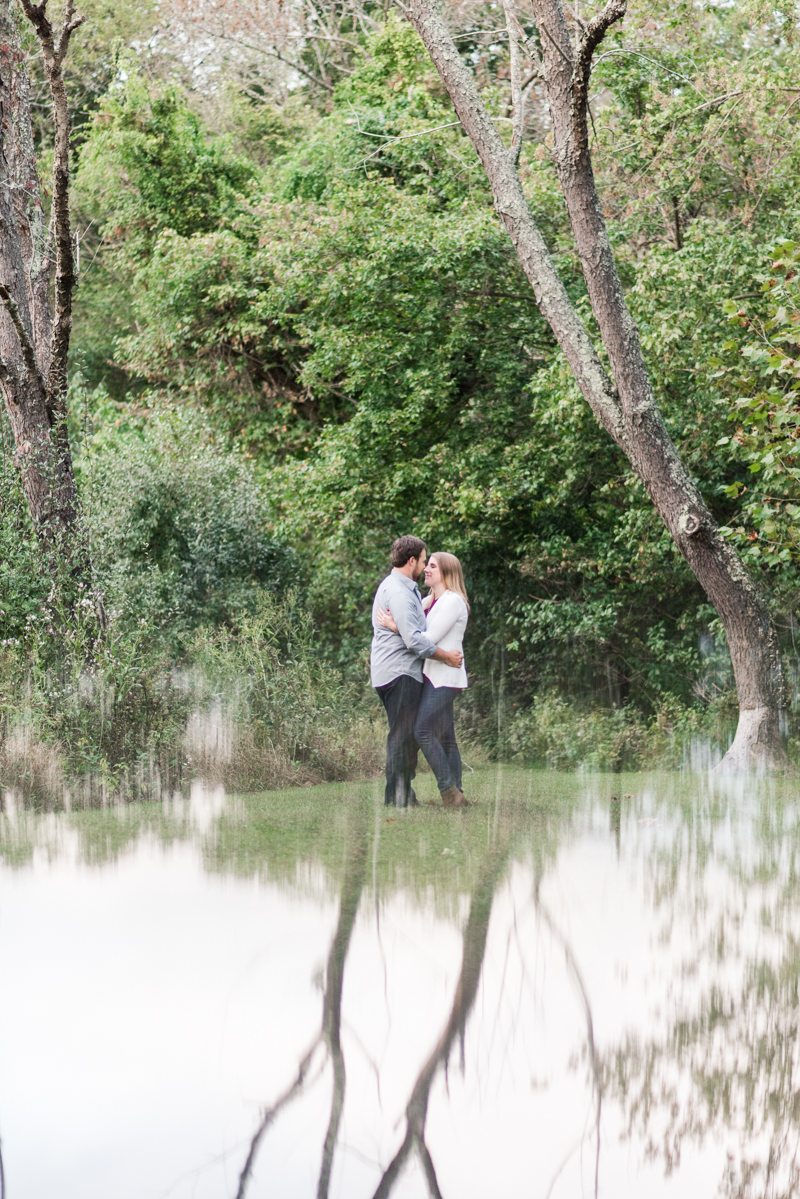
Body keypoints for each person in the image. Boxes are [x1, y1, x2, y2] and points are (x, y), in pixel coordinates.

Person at [370, 536, 464, 808]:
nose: (424, 567)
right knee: (403, 736)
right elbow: (416, 638)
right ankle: (398, 797)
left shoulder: (407, 589)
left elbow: (415, 629)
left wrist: (398, 626)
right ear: (411, 561)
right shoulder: (399, 592)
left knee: (408, 734)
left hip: (402, 671)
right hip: (400, 671)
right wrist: (446, 656)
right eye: (424, 561)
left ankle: (405, 795)